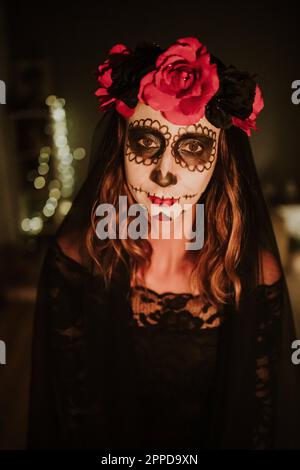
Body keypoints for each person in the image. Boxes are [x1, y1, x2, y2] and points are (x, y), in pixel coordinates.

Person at [28, 37, 300, 449]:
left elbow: (258, 423)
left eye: (193, 148)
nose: (164, 175)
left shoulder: (256, 276)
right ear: (120, 144)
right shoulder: (74, 262)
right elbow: (65, 415)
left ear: (221, 158)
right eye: (146, 142)